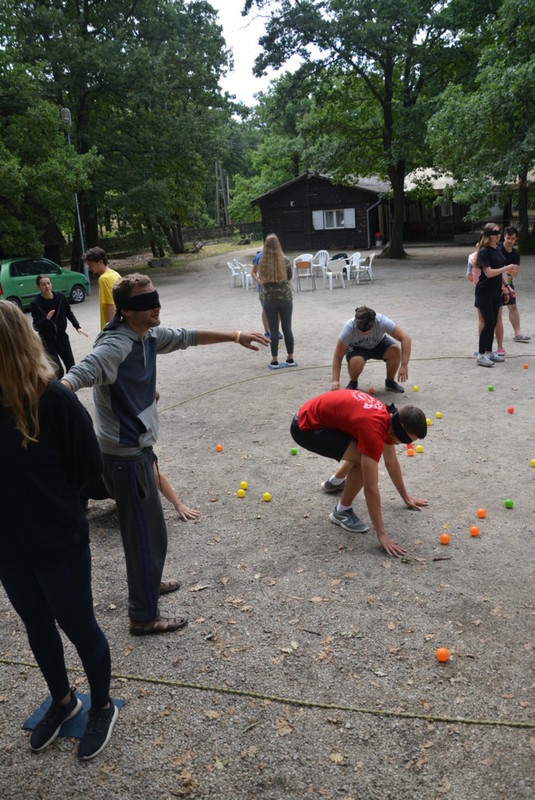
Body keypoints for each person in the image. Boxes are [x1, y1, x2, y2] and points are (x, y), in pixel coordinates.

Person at [62, 273, 267, 635]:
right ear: (125, 311)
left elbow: (188, 336)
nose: (156, 306)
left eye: (156, 298)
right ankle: (142, 615)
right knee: (144, 534)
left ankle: (148, 584)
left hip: (137, 451)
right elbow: (81, 373)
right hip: (125, 459)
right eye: (145, 302)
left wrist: (236, 335)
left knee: (148, 532)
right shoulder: (116, 346)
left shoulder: (147, 336)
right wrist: (55, 394)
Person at [0, 301, 117, 760]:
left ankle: (101, 705)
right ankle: (64, 701)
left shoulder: (54, 400)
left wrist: (51, 507)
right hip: (8, 546)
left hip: (58, 541)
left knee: (77, 624)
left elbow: (89, 471)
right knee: (36, 624)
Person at [290, 389, 428, 557]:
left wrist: (405, 497)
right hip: (306, 427)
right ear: (402, 427)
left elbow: (391, 463)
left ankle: (335, 481)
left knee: (362, 452)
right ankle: (341, 511)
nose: (404, 444)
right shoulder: (374, 429)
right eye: (407, 440)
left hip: (314, 416)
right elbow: (370, 489)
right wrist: (382, 534)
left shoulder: (388, 417)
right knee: (363, 463)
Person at [331, 305, 411, 394]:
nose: (364, 333)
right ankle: (353, 382)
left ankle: (390, 381)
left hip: (378, 344)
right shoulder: (349, 327)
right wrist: (335, 381)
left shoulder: (381, 321)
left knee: (395, 350)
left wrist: (404, 365)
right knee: (356, 361)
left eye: (368, 329)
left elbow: (405, 338)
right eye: (361, 330)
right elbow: (338, 356)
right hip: (357, 348)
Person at [475, 223, 518, 367]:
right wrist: (506, 267)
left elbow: (499, 275)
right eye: (495, 233)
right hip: (484, 292)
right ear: (488, 235)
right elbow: (488, 273)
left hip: (495, 291)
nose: (498, 235)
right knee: (488, 323)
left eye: (499, 232)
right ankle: (481, 355)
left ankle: (489, 352)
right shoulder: (484, 252)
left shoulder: (497, 249)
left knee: (493, 322)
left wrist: (507, 287)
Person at [30, 274, 88, 378]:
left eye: (48, 283)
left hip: (62, 338)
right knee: (58, 372)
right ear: (38, 287)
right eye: (43, 285)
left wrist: (77, 326)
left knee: (72, 367)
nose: (47, 286)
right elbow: (36, 326)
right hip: (47, 341)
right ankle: (60, 391)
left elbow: (68, 312)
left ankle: (70, 390)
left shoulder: (60, 297)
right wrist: (46, 319)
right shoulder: (36, 303)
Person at [257, 233, 297, 369]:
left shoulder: (261, 261)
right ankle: (290, 358)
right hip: (285, 297)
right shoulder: (285, 260)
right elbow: (290, 276)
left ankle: (274, 361)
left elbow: (261, 278)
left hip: (269, 298)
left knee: (273, 330)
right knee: (287, 328)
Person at [497, 226, 530, 348]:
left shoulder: (515, 254)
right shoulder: (497, 248)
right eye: (508, 238)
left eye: (513, 239)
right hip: (495, 283)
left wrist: (512, 273)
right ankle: (494, 331)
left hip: (508, 282)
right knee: (497, 310)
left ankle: (517, 333)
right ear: (504, 237)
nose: (510, 241)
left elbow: (515, 274)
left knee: (513, 306)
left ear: (516, 239)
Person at [83, 247, 121, 330]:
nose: (89, 269)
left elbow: (110, 306)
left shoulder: (104, 279)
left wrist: (109, 331)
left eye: (91, 265)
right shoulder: (115, 274)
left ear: (100, 262)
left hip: (113, 328)